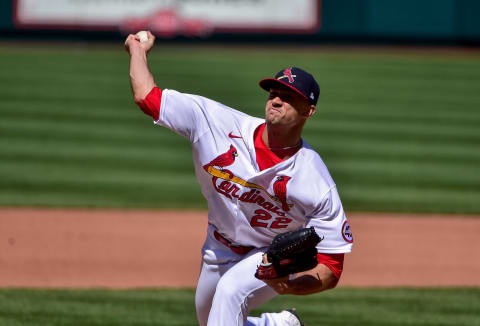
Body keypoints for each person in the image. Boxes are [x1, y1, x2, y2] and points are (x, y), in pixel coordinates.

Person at [125, 31, 354, 326]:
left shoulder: (315, 181)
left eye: (289, 97)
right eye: (274, 93)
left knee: (231, 292)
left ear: (308, 111)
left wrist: (294, 285)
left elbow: (332, 267)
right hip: (217, 246)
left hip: (269, 257)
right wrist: (137, 50)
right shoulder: (216, 123)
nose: (277, 100)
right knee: (213, 321)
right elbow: (148, 98)